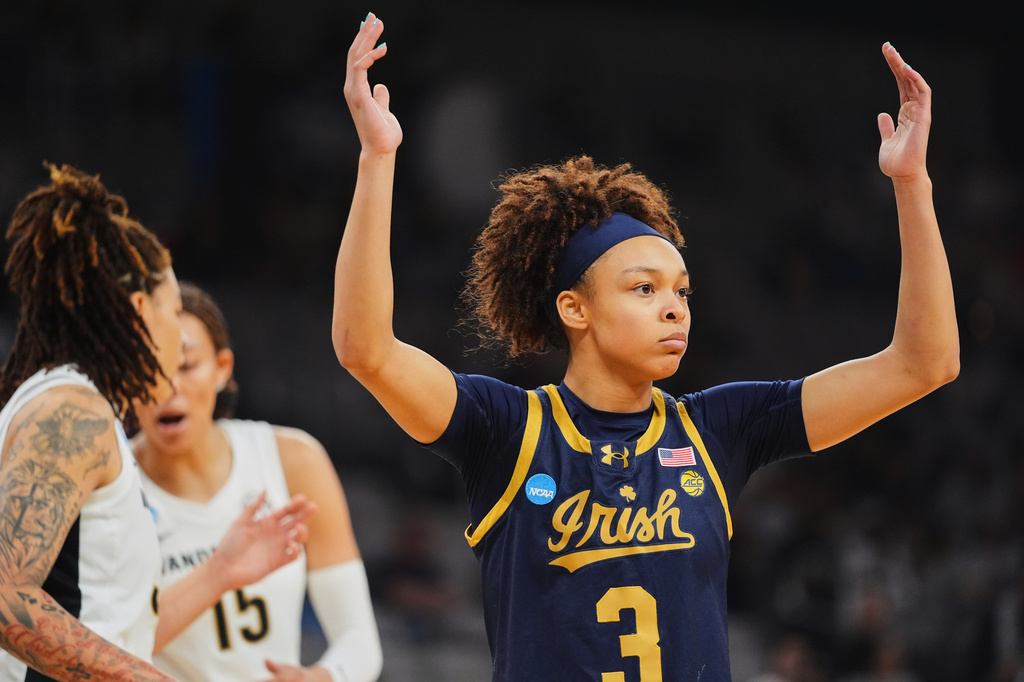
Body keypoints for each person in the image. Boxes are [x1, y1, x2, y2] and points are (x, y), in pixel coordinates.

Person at [333, 13, 958, 682]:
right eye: (643, 288)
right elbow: (366, 349)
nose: (672, 306)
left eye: (681, 292)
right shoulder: (507, 429)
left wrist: (911, 186)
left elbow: (925, 364)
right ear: (574, 308)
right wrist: (377, 160)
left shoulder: (722, 429)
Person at [0, 165, 314, 682]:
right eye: (173, 311)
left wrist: (217, 573)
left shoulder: (67, 401)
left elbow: (105, 616)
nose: (178, 339)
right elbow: (8, 593)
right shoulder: (72, 411)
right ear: (142, 309)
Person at [131, 282, 382, 682]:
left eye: (186, 365)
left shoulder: (293, 459)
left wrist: (323, 677)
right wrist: (215, 574)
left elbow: (359, 640)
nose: (168, 387)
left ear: (222, 369)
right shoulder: (111, 487)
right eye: (148, 369)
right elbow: (98, 648)